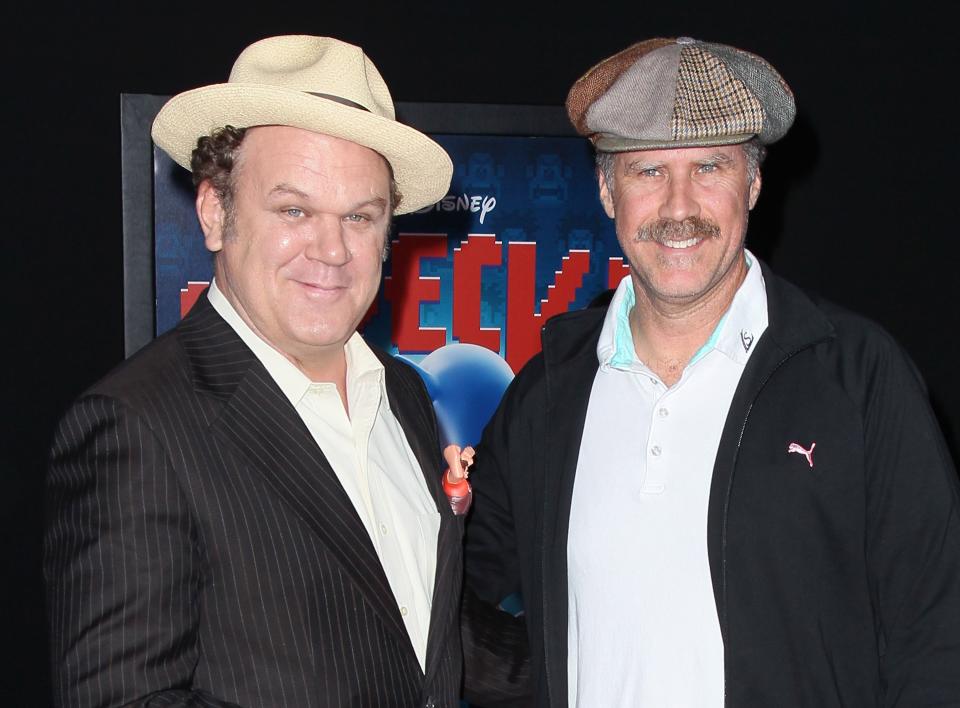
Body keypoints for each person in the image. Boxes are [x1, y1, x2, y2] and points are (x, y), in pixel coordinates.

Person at [463, 36, 960, 706]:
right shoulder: (550, 392)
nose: (678, 208)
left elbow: (937, 632)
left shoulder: (858, 377)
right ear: (607, 191)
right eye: (647, 172)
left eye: (709, 168)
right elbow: (445, 592)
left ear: (753, 182)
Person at [44, 35, 462, 707]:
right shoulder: (137, 426)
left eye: (361, 216)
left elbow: (416, 635)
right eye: (294, 210)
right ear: (216, 212)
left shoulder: (401, 394)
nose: (332, 250)